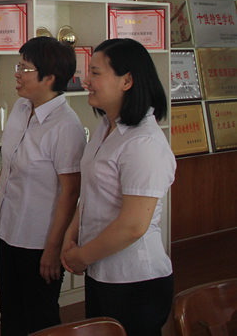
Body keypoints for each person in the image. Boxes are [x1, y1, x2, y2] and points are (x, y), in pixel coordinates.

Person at [61, 38, 175, 336]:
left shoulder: (144, 143)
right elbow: (91, 195)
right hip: (101, 270)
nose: (86, 81)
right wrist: (71, 236)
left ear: (127, 81)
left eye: (96, 73)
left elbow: (133, 225)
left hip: (135, 278)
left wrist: (82, 256)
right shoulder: (106, 128)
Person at [0, 36, 86, 336]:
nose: (17, 73)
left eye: (24, 68)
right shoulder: (20, 107)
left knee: (40, 318)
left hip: (38, 240)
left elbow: (71, 192)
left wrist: (54, 248)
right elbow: (9, 163)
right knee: (10, 311)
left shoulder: (66, 127)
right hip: (8, 229)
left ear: (49, 78)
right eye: (19, 66)